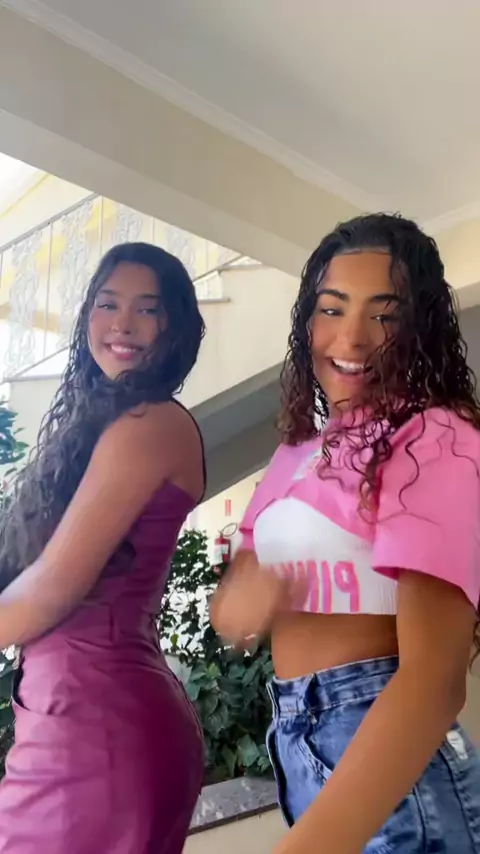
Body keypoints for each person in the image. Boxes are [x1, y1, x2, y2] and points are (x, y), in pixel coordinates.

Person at [211, 214, 480, 854]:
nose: (352, 336)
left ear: (420, 329)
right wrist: (243, 599)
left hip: (392, 759)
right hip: (299, 738)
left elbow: (434, 680)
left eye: (384, 315)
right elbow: (239, 601)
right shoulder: (296, 452)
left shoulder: (434, 437)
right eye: (332, 309)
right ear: (307, 322)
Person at [0, 242, 206, 853]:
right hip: (69, 712)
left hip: (98, 726)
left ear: (174, 327)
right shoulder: (97, 425)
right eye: (108, 304)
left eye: (147, 309)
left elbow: (49, 590)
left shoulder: (150, 425)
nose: (123, 324)